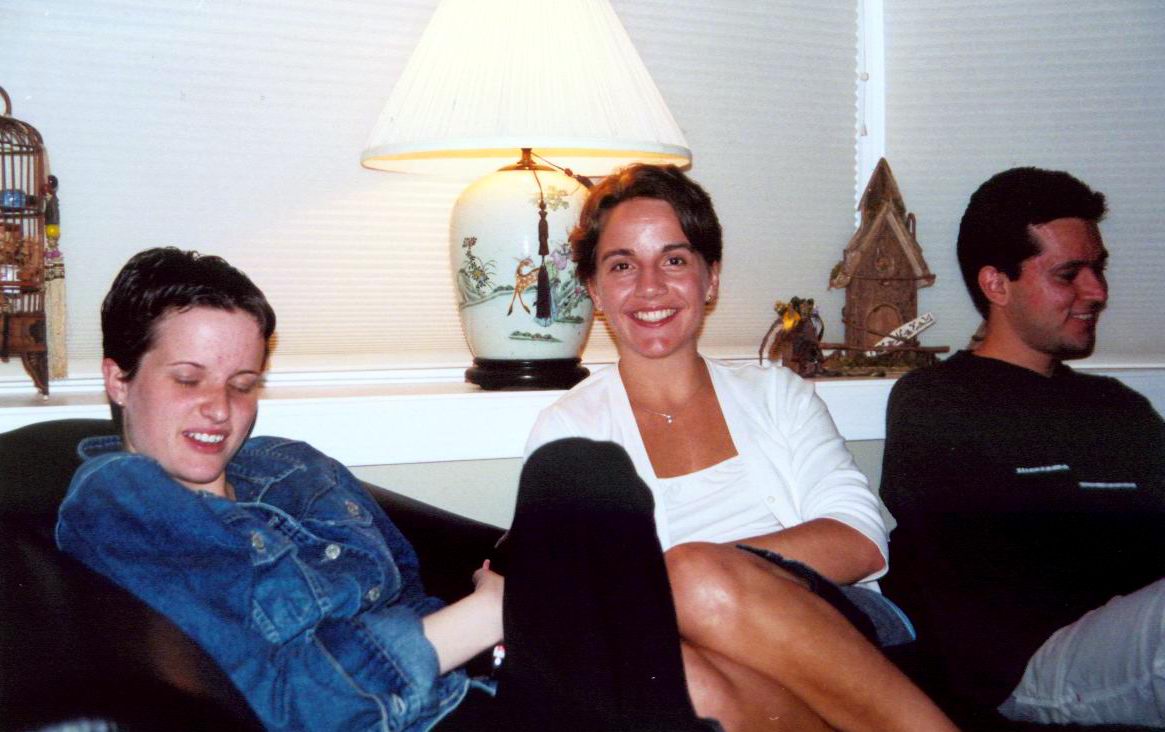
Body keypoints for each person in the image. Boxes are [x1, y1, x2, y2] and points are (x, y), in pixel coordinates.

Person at [55, 247, 722, 731]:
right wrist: (493, 611)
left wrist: (510, 610)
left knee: (579, 470)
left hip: (476, 679)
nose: (219, 409)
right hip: (403, 720)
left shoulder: (286, 466)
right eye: (187, 379)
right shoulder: (121, 503)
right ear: (118, 379)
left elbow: (409, 583)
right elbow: (285, 706)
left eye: (242, 384)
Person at [526, 164, 958, 732]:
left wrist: (700, 579)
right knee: (675, 680)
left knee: (692, 577)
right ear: (594, 289)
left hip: (841, 630)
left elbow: (861, 541)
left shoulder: (776, 394)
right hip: (697, 663)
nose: (650, 286)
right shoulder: (568, 429)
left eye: (674, 260)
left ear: (711, 279)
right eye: (622, 265)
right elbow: (584, 599)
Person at [880, 167, 1165, 727]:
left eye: (1099, 269)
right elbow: (984, 576)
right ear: (996, 284)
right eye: (1069, 274)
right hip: (1031, 667)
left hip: (1138, 634)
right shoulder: (937, 403)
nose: (1097, 292)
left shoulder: (1118, 406)